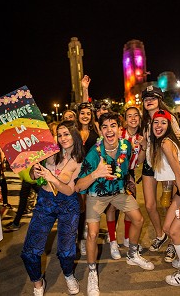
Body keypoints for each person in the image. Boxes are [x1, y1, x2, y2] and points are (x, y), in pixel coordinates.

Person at [76, 112, 154, 296]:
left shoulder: (125, 145)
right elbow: (79, 186)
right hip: (97, 194)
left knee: (138, 219)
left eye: (113, 126)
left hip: (118, 191)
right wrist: (96, 173)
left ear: (120, 129)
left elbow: (134, 164)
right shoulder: (94, 153)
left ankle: (132, 254)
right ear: (101, 131)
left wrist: (129, 178)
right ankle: (93, 273)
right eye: (105, 127)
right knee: (93, 234)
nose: (109, 130)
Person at [21, 120, 84, 296]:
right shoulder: (49, 151)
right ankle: (38, 282)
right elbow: (34, 175)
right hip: (45, 201)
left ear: (75, 135)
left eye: (66, 134)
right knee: (29, 251)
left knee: (66, 252)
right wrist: (35, 169)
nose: (62, 138)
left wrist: (52, 177)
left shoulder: (79, 159)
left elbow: (69, 189)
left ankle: (69, 274)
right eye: (60, 134)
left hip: (68, 204)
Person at [150, 109, 180, 286]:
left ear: (169, 125)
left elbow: (178, 175)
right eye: (156, 122)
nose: (159, 126)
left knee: (176, 232)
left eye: (163, 122)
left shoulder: (166, 144)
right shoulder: (163, 143)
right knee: (168, 228)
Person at [141, 85, 180, 263]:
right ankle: (161, 235)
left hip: (166, 165)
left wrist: (167, 140)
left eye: (153, 97)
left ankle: (173, 242)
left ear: (159, 100)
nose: (149, 101)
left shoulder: (168, 117)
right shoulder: (144, 122)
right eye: (146, 99)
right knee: (150, 205)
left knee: (168, 204)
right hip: (150, 165)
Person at [105, 106, 147, 259]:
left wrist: (144, 147)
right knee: (111, 208)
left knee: (131, 206)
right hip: (114, 172)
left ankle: (128, 239)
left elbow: (140, 161)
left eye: (136, 115)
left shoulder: (142, 136)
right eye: (129, 116)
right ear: (125, 119)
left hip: (129, 174)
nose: (133, 118)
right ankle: (113, 241)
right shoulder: (119, 133)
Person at [76, 101, 99, 256]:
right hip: (77, 172)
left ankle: (87, 234)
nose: (85, 116)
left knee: (91, 205)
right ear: (78, 115)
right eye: (82, 113)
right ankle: (79, 240)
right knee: (80, 206)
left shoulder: (96, 128)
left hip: (93, 171)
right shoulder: (73, 130)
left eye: (88, 113)